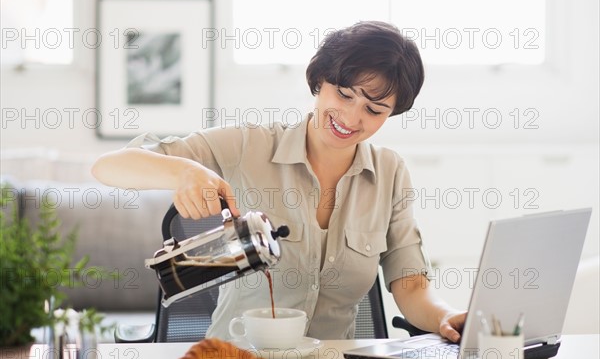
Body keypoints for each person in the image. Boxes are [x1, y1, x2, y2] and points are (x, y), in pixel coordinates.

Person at [92, 21, 466, 342]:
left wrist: (444, 318)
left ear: (392, 112)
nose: (352, 117)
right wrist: (183, 171)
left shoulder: (390, 173)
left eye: (373, 109)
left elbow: (411, 284)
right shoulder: (247, 145)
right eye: (344, 94)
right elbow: (109, 167)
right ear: (320, 80)